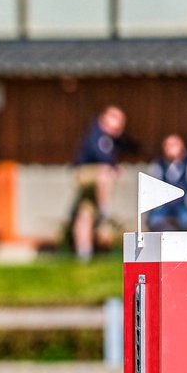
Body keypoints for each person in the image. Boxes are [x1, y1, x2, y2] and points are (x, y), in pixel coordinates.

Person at [70, 105, 128, 261]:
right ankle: (105, 211)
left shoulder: (112, 139)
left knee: (85, 213)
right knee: (105, 174)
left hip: (94, 182)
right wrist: (115, 168)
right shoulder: (96, 134)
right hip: (84, 174)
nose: (119, 124)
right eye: (115, 119)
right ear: (104, 118)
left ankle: (84, 254)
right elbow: (99, 154)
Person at [146, 133, 187, 232]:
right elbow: (150, 189)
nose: (170, 148)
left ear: (182, 147)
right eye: (167, 145)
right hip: (164, 207)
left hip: (183, 206)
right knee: (155, 220)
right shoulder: (157, 165)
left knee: (185, 219)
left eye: (174, 145)